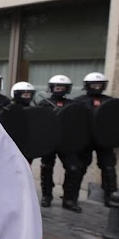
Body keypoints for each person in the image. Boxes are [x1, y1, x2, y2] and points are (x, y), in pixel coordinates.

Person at [70, 72, 119, 210]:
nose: (96, 87)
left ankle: (112, 198)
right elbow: (73, 121)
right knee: (79, 168)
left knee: (109, 167)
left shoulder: (110, 102)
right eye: (93, 85)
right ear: (87, 86)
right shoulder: (78, 101)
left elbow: (117, 121)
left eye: (99, 85)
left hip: (104, 140)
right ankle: (71, 199)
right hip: (84, 140)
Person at [37, 75, 84, 210]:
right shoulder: (44, 103)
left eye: (62, 87)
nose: (59, 90)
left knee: (73, 168)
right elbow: (38, 123)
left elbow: (78, 124)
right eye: (57, 87)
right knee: (46, 167)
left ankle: (69, 199)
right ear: (51, 88)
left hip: (66, 142)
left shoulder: (72, 104)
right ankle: (47, 196)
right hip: (49, 140)